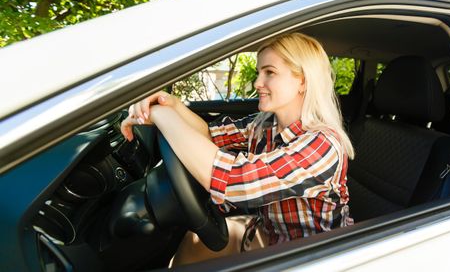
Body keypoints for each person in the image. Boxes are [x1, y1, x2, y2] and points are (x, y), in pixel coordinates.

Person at [120, 32, 354, 265]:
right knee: (194, 242)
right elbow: (209, 136)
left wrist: (160, 115)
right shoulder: (265, 125)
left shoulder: (322, 144)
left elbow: (232, 179)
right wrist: (171, 104)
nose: (257, 83)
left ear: (302, 80)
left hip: (314, 258)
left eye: (269, 73)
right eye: (258, 72)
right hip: (270, 235)